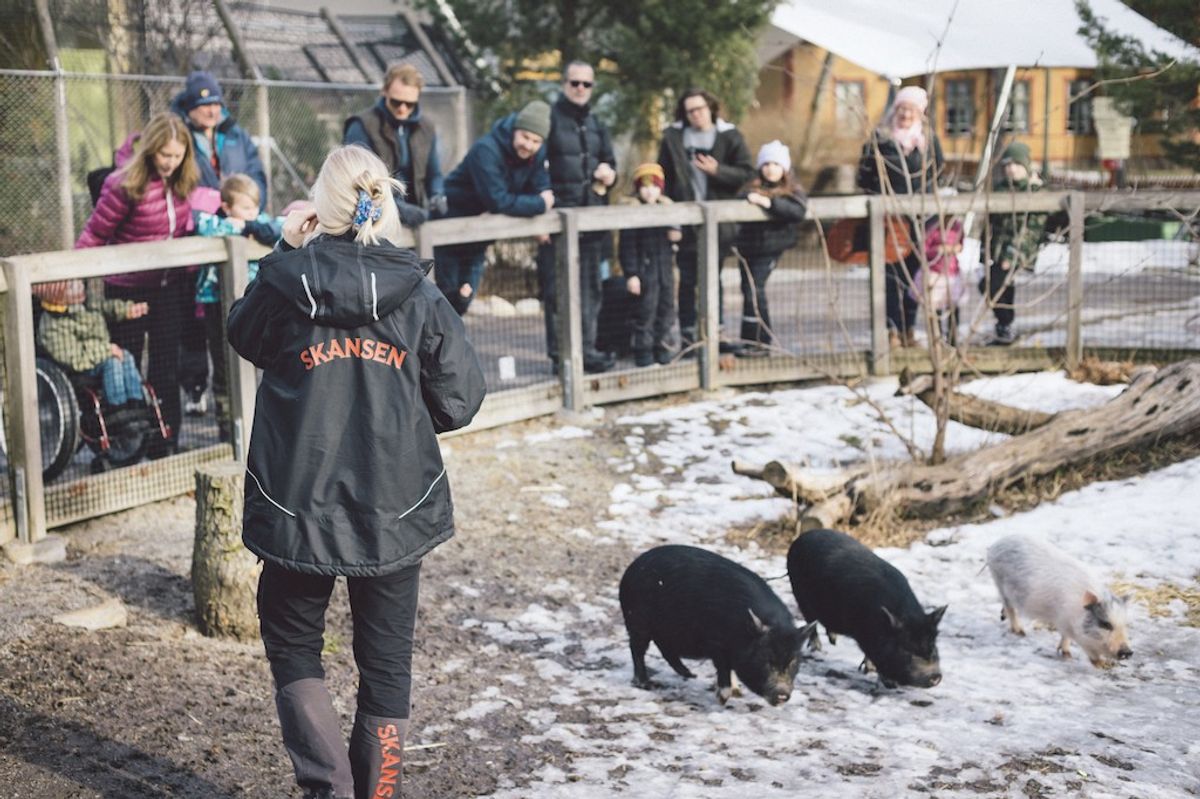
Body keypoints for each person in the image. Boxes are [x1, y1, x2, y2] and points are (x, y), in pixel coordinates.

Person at [226, 145, 486, 799]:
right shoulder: (417, 292)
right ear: (385, 203)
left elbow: (242, 333)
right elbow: (461, 397)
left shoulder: (285, 284)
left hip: (297, 506)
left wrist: (284, 249)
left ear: (319, 206)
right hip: (396, 504)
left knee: (292, 642)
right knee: (386, 663)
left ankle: (329, 789)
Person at [76, 111, 199, 457]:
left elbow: (189, 226)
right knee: (124, 363)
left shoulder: (183, 181)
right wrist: (71, 273)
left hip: (168, 287)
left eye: (177, 156)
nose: (170, 163)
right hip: (127, 289)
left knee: (165, 366)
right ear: (150, 151)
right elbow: (95, 233)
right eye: (164, 155)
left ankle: (164, 443)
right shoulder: (123, 184)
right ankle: (121, 444)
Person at [534, 61, 618, 373]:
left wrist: (610, 173)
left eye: (587, 84)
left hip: (592, 219)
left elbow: (610, 160)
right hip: (558, 221)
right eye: (575, 83)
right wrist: (541, 218)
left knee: (591, 288)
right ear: (564, 85)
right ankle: (561, 356)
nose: (581, 89)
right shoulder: (550, 120)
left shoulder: (597, 122)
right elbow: (535, 169)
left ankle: (587, 350)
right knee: (557, 291)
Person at [187, 173, 283, 438]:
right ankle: (228, 429)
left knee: (256, 363)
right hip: (216, 303)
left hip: (252, 302)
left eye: (256, 207)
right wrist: (242, 227)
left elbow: (278, 227)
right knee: (223, 365)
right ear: (227, 207)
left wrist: (250, 224)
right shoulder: (215, 222)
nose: (253, 214)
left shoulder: (258, 222)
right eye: (246, 208)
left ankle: (260, 423)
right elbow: (202, 223)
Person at [657, 88, 754, 350]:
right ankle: (689, 336)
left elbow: (747, 174)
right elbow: (662, 176)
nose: (695, 115)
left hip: (718, 221)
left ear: (710, 108)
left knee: (713, 276)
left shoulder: (729, 136)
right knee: (687, 278)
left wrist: (717, 171)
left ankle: (716, 332)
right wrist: (670, 217)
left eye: (700, 109)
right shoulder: (673, 137)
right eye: (690, 111)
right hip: (686, 219)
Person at [438, 100, 554, 315]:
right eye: (525, 137)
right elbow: (498, 200)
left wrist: (537, 215)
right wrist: (540, 204)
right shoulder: (486, 150)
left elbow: (540, 185)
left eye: (536, 141)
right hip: (451, 231)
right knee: (444, 302)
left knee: (464, 298)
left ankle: (452, 344)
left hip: (479, 238)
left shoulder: (536, 155)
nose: (529, 145)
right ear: (514, 130)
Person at [856, 85, 944, 349]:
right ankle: (891, 328)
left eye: (911, 109)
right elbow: (864, 174)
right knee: (891, 276)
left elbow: (937, 171)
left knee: (914, 278)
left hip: (920, 219)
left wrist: (923, 201)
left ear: (920, 113)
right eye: (902, 108)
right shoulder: (881, 139)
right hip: (889, 220)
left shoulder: (928, 140)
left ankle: (908, 329)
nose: (906, 114)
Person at [343, 63, 446, 227]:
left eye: (409, 104)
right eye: (396, 102)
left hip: (415, 218)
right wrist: (397, 208)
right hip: (374, 222)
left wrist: (437, 195)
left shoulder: (426, 128)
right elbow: (358, 182)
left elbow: (434, 173)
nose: (403, 109)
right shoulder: (362, 126)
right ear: (384, 92)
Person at [734, 140, 808, 354]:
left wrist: (769, 204)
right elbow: (738, 198)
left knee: (755, 290)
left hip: (772, 247)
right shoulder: (752, 186)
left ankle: (760, 341)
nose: (770, 169)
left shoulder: (791, 190)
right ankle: (750, 340)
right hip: (748, 246)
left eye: (776, 164)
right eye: (766, 164)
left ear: (784, 167)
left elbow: (798, 211)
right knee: (748, 290)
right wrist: (750, 197)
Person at [35, 279, 149, 407]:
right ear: (58, 296)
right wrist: (106, 350)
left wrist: (127, 309)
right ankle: (119, 409)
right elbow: (76, 359)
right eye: (72, 285)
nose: (80, 286)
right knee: (113, 363)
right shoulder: (51, 326)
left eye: (79, 281)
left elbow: (104, 307)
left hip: (100, 354)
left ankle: (137, 404)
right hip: (82, 368)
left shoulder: (84, 305)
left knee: (126, 356)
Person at [982, 142, 1048, 346]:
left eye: (1017, 164)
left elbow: (1033, 229)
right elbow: (989, 223)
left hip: (1018, 250)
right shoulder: (1001, 190)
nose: (1011, 169)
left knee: (998, 285)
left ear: (1025, 166)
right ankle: (1004, 327)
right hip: (999, 250)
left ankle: (1005, 326)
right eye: (1007, 165)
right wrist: (985, 251)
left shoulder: (1034, 192)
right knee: (992, 285)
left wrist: (1012, 255)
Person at [169, 70, 267, 206]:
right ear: (190, 108)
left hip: (243, 217)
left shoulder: (237, 135)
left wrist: (251, 205)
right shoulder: (176, 138)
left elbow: (257, 174)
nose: (212, 111)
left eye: (216, 104)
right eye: (205, 105)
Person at [619, 163, 681, 367]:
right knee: (645, 311)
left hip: (665, 270)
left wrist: (676, 236)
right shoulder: (632, 213)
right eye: (644, 186)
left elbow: (676, 237)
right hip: (645, 271)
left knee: (666, 308)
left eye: (654, 186)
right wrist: (632, 274)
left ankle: (662, 347)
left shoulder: (667, 210)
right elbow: (627, 247)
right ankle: (643, 351)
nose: (649, 191)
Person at [911, 216, 966, 345]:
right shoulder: (932, 226)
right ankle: (937, 338)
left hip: (952, 272)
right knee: (935, 307)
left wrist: (955, 248)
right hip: (935, 271)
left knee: (953, 306)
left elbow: (961, 244)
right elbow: (923, 249)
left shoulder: (957, 226)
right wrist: (939, 249)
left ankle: (953, 338)